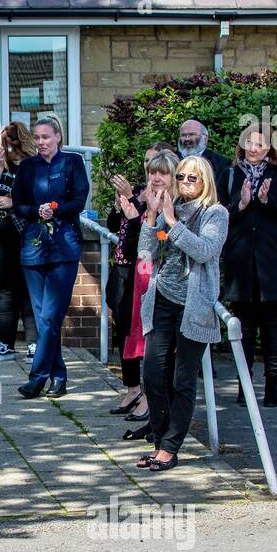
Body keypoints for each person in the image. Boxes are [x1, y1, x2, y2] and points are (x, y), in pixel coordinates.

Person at [135, 155, 228, 471]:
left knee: (182, 379)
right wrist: (151, 216)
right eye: (182, 177)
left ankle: (170, 448)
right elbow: (146, 254)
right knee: (152, 374)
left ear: (205, 183)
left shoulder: (215, 213)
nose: (185, 182)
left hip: (194, 305)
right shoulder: (167, 209)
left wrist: (172, 222)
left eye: (193, 178)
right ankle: (160, 441)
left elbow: (204, 251)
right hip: (161, 299)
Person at [219, 125, 277, 407]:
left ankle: (272, 389)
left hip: (272, 264)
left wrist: (267, 202)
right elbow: (217, 216)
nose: (254, 149)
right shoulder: (230, 174)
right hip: (240, 264)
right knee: (243, 329)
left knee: (271, 328)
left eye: (260, 143)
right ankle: (244, 389)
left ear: (270, 147)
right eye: (249, 143)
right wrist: (240, 207)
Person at [11, 115, 89, 399]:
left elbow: (79, 200)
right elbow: (18, 204)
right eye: (38, 137)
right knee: (44, 317)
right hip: (33, 246)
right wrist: (36, 212)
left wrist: (54, 209)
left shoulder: (72, 162)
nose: (41, 142)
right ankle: (58, 376)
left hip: (64, 244)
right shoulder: (28, 167)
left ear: (57, 137)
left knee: (52, 315)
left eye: (46, 137)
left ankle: (37, 376)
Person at [110, 144, 177, 434]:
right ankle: (149, 409)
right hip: (140, 275)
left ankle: (157, 412)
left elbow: (166, 240)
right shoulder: (145, 200)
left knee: (159, 350)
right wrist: (136, 216)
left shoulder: (179, 205)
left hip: (166, 283)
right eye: (151, 172)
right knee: (136, 338)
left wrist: (150, 218)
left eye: (161, 172)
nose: (156, 178)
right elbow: (131, 245)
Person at [0, 122, 38, 362]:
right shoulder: (2, 167)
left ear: (19, 141)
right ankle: (5, 344)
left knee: (25, 289)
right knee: (3, 290)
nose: (7, 147)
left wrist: (14, 201)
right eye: (4, 142)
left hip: (22, 233)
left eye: (10, 142)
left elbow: (39, 198)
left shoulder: (33, 167)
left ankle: (33, 344)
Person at [177, 119, 232, 184]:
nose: (187, 139)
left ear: (205, 138)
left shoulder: (222, 164)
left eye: (192, 134)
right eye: (183, 135)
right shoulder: (172, 160)